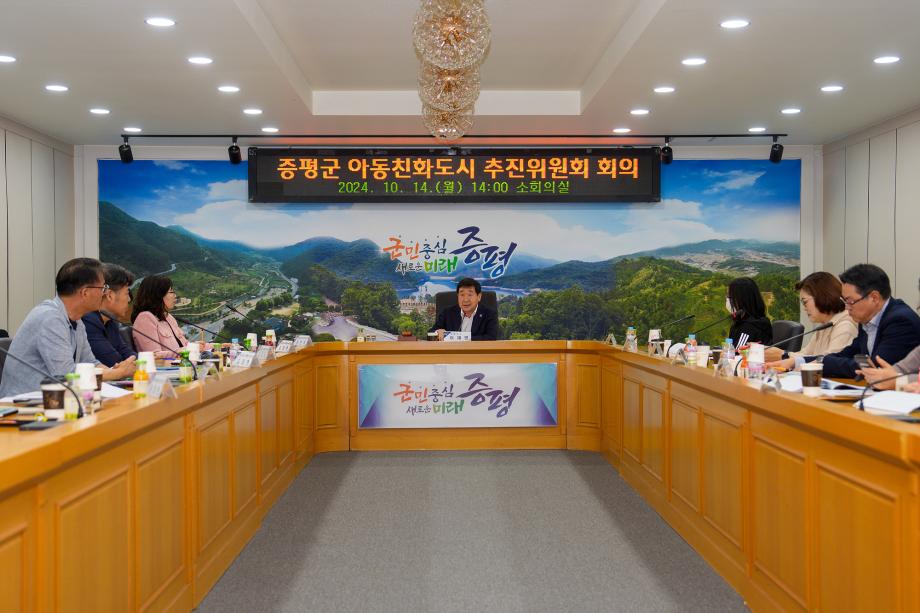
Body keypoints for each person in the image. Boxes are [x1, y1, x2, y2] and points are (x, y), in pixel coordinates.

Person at [0, 258, 136, 397]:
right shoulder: (50, 318)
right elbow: (66, 374)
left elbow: (91, 363)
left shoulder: (77, 319)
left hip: (55, 399)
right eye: (103, 288)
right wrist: (117, 373)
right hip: (23, 402)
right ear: (85, 293)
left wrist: (114, 372)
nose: (105, 294)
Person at [805, 264, 920, 379]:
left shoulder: (901, 321)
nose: (846, 307)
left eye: (850, 301)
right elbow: (849, 354)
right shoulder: (867, 318)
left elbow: (874, 368)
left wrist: (823, 363)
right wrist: (805, 361)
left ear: (874, 298)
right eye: (844, 301)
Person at [764, 271, 858, 366]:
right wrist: (782, 356)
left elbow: (828, 363)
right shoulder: (825, 325)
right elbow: (805, 355)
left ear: (821, 297)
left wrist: (784, 355)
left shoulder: (845, 327)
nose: (804, 308)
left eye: (805, 302)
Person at [83, 263, 137, 367]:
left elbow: (126, 352)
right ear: (110, 295)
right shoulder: (88, 321)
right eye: (126, 293)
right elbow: (113, 361)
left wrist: (147, 360)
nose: (129, 299)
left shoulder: (110, 321)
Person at [131, 275, 188, 355]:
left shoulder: (168, 317)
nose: (175, 296)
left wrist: (196, 346)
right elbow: (154, 355)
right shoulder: (145, 318)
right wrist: (180, 352)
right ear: (158, 296)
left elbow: (184, 345)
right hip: (170, 363)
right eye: (171, 292)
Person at [430, 277, 498, 341]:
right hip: (452, 350)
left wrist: (461, 338)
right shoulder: (447, 313)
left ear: (479, 297)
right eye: (462, 295)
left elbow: (491, 337)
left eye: (470, 295)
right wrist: (437, 332)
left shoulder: (489, 314)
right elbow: (431, 333)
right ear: (457, 296)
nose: (465, 300)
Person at [726, 277, 772, 345]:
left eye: (730, 297)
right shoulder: (738, 324)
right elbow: (729, 348)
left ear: (742, 300)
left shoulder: (748, 327)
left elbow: (737, 351)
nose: (727, 300)